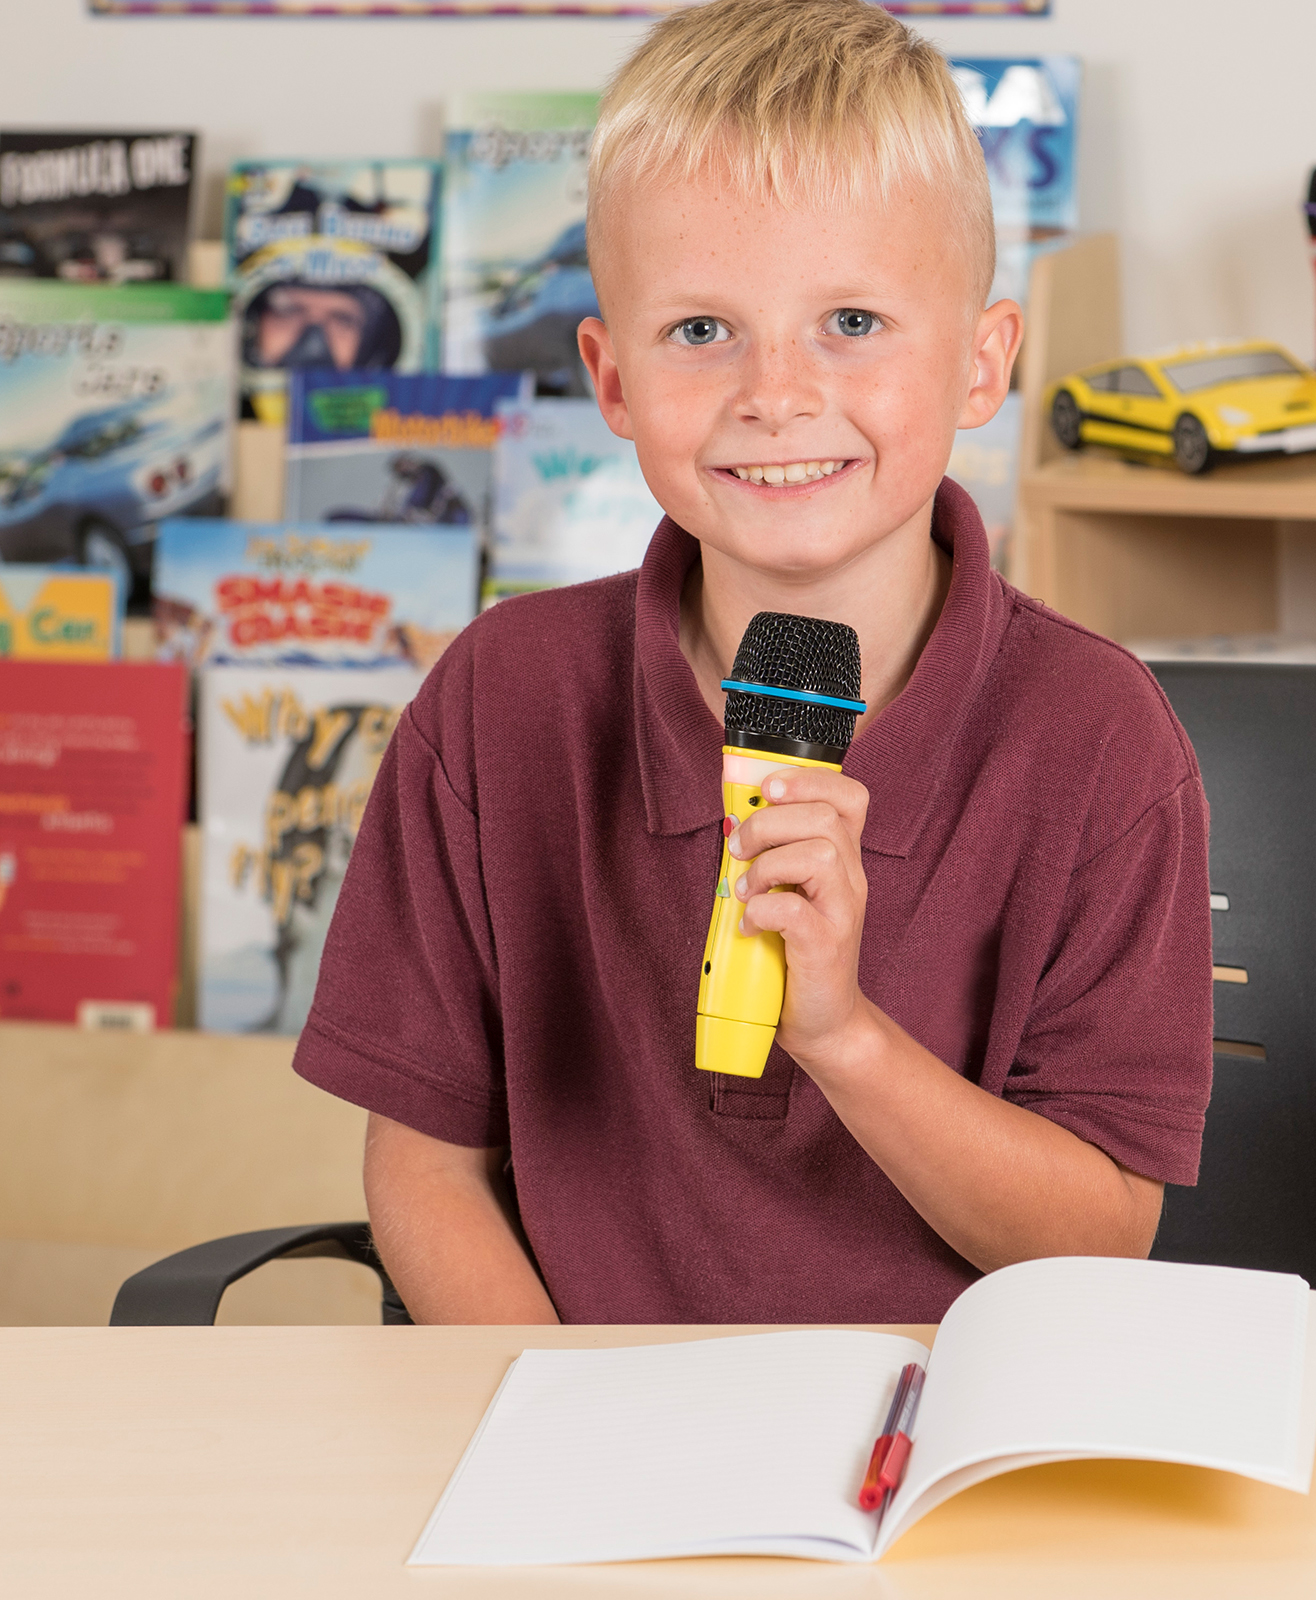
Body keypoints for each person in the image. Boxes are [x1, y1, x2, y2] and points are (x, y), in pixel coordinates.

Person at [293, 0, 1213, 1326]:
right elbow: (427, 1170)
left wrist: (842, 1035)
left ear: (981, 364)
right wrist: (566, 1414)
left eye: (853, 320)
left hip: (951, 1428)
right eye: (700, 331)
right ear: (612, 380)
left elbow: (1098, 1238)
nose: (775, 394)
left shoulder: (1096, 732)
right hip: (587, 1423)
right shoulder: (500, 701)